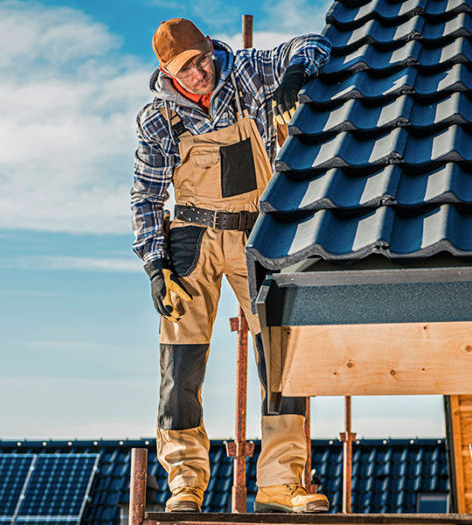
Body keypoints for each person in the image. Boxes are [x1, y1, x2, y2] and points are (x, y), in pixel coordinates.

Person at [130, 18, 332, 513]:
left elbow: (316, 45)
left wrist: (293, 77)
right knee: (181, 364)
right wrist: (155, 265)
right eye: (190, 68)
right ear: (168, 73)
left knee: (281, 357)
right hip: (190, 241)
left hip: (255, 234)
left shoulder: (243, 73)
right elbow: (147, 196)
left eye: (204, 59)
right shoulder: (157, 120)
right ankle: (185, 482)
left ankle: (280, 483)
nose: (204, 71)